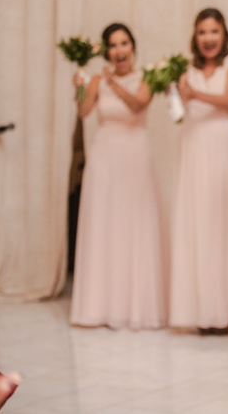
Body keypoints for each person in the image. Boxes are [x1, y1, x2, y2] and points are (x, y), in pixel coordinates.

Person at [70, 23, 168, 330]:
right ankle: (99, 306)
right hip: (104, 156)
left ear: (133, 47)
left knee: (133, 223)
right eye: (113, 45)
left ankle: (135, 307)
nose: (119, 50)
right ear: (107, 51)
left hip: (135, 154)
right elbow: (85, 111)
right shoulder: (99, 79)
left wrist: (113, 82)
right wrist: (81, 88)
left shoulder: (148, 76)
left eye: (124, 43)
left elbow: (139, 103)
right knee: (104, 223)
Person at [169, 8, 228, 335]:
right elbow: (176, 113)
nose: (208, 38)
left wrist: (193, 92)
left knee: (224, 224)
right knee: (197, 225)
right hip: (195, 148)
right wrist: (173, 93)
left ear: (223, 34)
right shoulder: (184, 70)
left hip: (225, 147)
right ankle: (198, 311)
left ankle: (227, 312)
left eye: (214, 31)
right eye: (202, 32)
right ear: (195, 37)